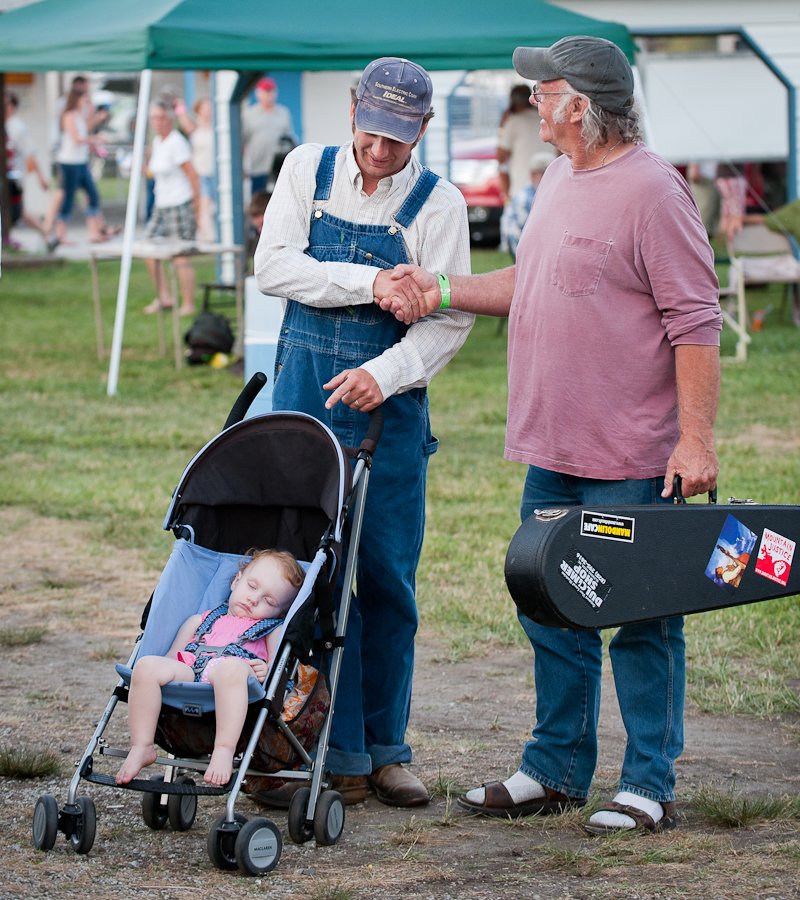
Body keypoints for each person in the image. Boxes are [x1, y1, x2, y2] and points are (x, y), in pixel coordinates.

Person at [381, 36, 722, 834]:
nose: (530, 99)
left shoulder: (655, 193)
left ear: (582, 104)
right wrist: (439, 288)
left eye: (543, 89)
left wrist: (695, 441)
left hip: (632, 453)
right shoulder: (557, 177)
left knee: (641, 618)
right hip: (553, 448)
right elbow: (528, 284)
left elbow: (696, 322)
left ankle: (648, 785)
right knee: (552, 606)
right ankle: (555, 769)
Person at [254, 56, 473, 808]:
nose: (382, 152)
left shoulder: (439, 205)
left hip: (391, 413)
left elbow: (449, 323)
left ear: (424, 130)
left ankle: (385, 750)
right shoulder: (304, 170)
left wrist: (387, 372)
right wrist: (368, 282)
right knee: (307, 579)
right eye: (373, 133)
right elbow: (274, 268)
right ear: (353, 111)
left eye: (399, 139)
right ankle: (319, 746)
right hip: (304, 405)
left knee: (385, 582)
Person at [116, 549, 304, 787]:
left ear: (281, 612)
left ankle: (224, 750)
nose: (254, 599)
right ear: (237, 580)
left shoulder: (271, 630)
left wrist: (263, 670)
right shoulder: (202, 619)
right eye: (252, 586)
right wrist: (161, 669)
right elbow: (173, 656)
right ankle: (142, 745)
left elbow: (278, 671)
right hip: (191, 671)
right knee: (146, 666)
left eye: (269, 601)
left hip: (235, 677)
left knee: (230, 669)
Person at [142, 99, 201, 316]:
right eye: (154, 118)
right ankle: (164, 296)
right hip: (161, 204)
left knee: (180, 255)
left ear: (170, 119)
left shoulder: (177, 142)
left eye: (161, 118)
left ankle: (188, 303)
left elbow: (192, 175)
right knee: (148, 248)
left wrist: (196, 206)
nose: (157, 122)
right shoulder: (158, 142)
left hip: (179, 202)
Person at [50, 87, 114, 246]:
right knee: (68, 198)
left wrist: (96, 113)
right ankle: (60, 235)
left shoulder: (80, 116)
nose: (85, 101)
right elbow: (77, 139)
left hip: (81, 161)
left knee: (93, 195)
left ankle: (94, 232)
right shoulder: (69, 116)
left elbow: (88, 127)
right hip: (69, 162)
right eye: (83, 98)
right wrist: (95, 139)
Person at [3, 91, 50, 247]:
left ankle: (45, 234)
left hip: (14, 178)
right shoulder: (5, 125)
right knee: (20, 212)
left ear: (12, 106)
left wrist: (40, 177)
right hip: (6, 177)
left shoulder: (17, 127)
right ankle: (47, 235)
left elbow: (30, 154)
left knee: (18, 211)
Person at [496, 84, 549, 207]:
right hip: (549, 187)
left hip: (521, 190)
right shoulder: (545, 118)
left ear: (512, 101)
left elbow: (501, 157)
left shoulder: (513, 121)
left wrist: (502, 126)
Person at [242, 77, 295, 196]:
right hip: (257, 166)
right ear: (258, 93)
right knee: (259, 200)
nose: (268, 95)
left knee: (280, 198)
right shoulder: (249, 114)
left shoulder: (283, 112)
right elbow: (242, 142)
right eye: (265, 91)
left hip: (279, 168)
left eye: (271, 91)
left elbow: (289, 139)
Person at [499, 150, 554, 260]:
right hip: (521, 249)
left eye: (550, 172)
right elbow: (532, 235)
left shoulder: (542, 192)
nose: (549, 176)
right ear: (532, 175)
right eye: (543, 173)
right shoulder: (525, 198)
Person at [176, 96, 216, 242]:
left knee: (213, 205)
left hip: (214, 172)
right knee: (203, 204)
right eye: (205, 109)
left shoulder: (216, 128)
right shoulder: (195, 128)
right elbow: (183, 119)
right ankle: (205, 234)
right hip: (201, 172)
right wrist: (179, 107)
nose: (208, 112)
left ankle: (212, 232)